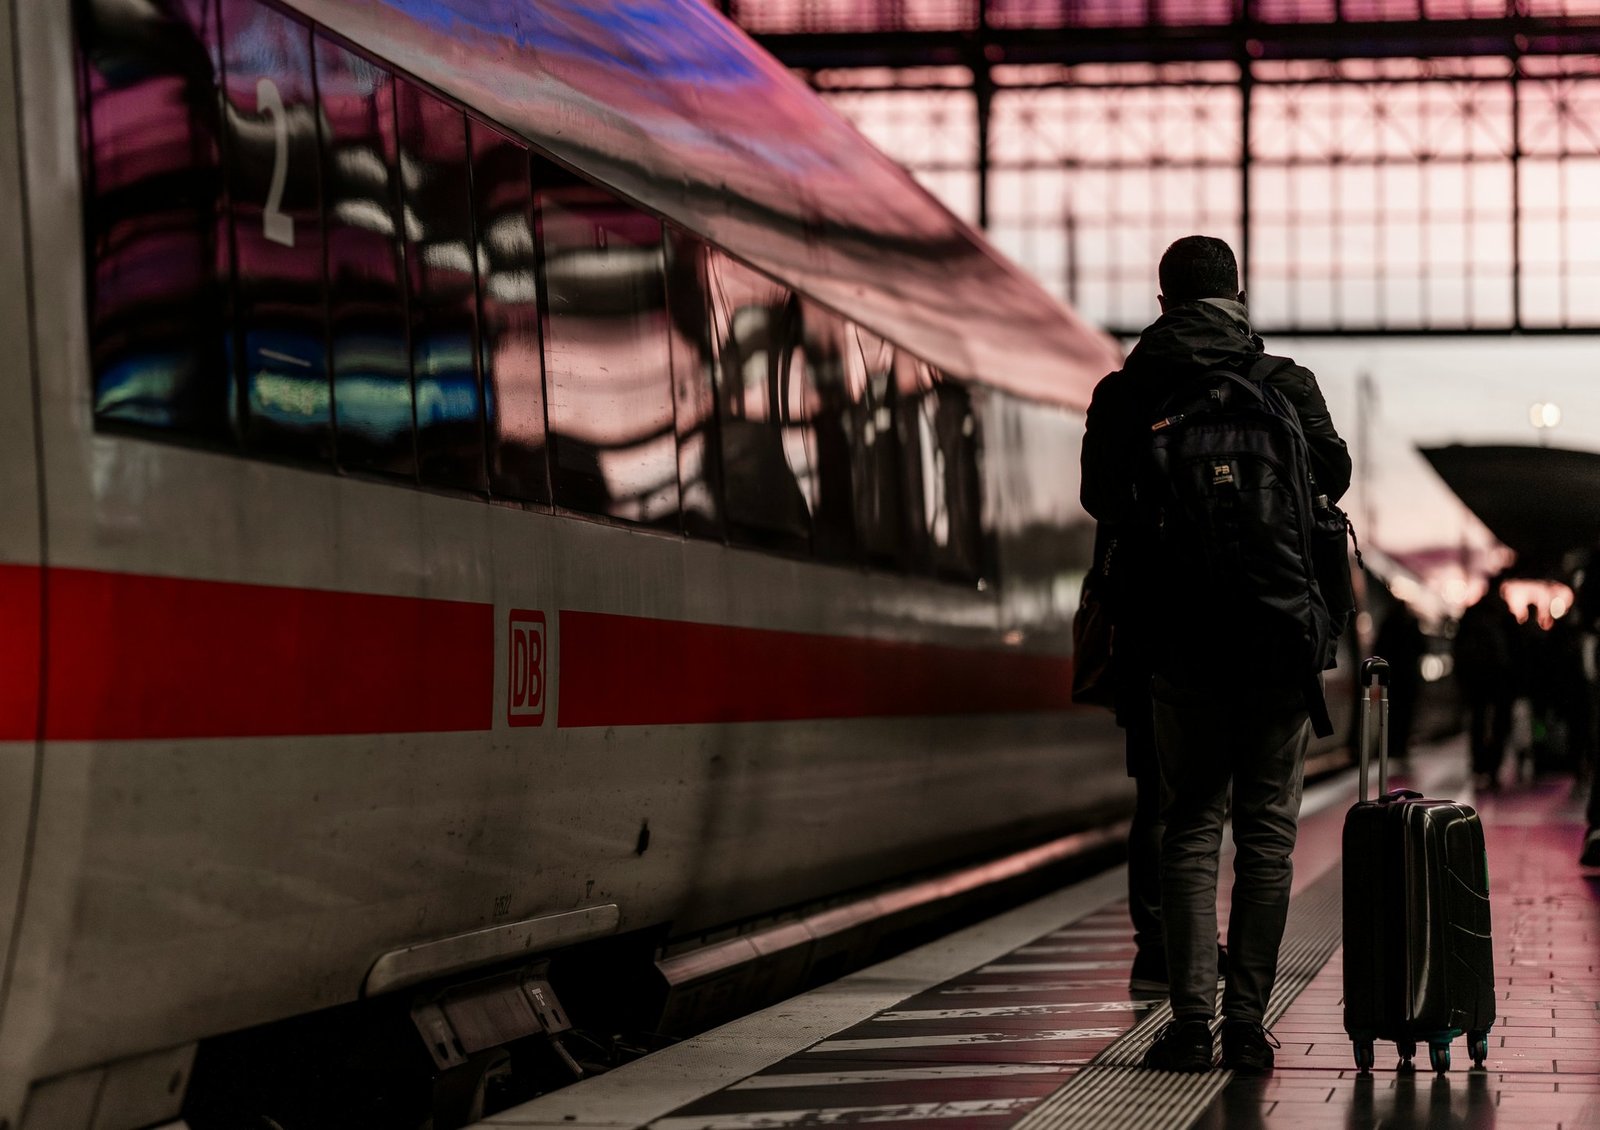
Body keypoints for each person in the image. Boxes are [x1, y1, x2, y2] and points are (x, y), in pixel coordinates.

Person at [1081, 235, 1351, 1075]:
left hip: (1177, 645)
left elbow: (1100, 497)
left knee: (1190, 827)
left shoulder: (1128, 390)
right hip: (1276, 640)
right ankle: (1246, 1025)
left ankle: (1190, 1024)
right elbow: (1334, 475)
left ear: (1162, 304)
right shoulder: (1287, 384)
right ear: (1239, 296)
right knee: (1268, 836)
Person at [1453, 579, 1518, 793]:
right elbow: (1518, 650)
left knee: (1478, 723)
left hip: (1476, 680)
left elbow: (1458, 648)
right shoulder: (1505, 616)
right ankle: (1492, 769)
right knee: (1499, 725)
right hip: (1501, 681)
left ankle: (1480, 766)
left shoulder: (1472, 614)